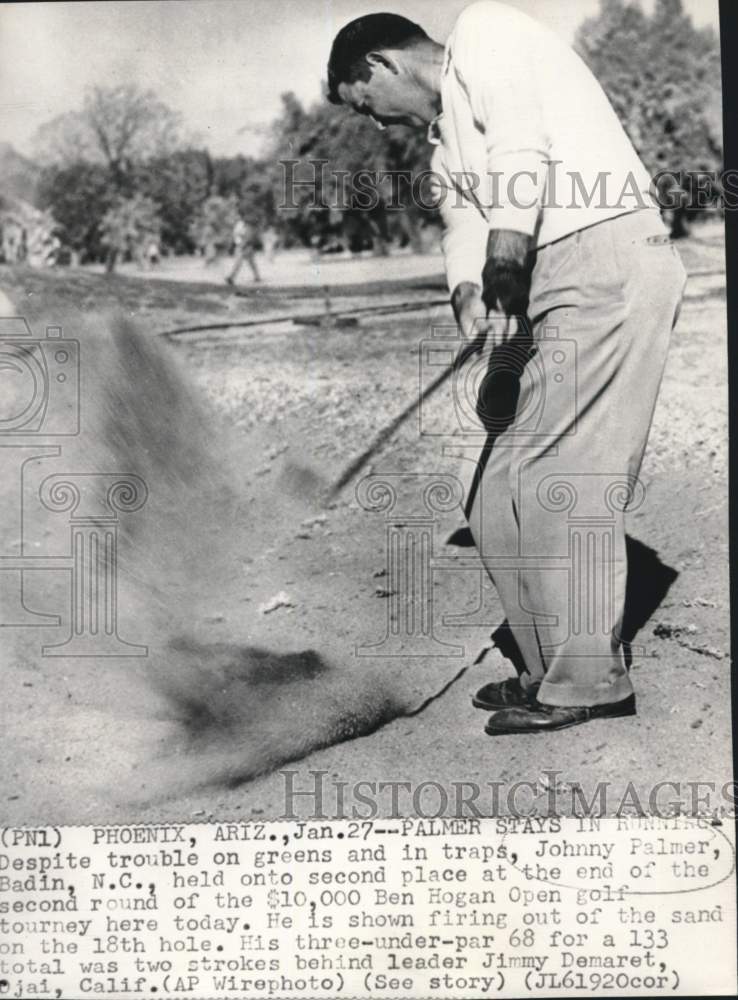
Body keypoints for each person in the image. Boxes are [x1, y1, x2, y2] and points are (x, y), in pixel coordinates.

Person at [327, 2, 687, 733]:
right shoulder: (445, 140)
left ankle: (591, 677)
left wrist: (506, 256)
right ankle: (546, 668)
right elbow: (462, 218)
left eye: (365, 104)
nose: (375, 123)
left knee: (560, 475)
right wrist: (470, 288)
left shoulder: (487, 31)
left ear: (380, 66)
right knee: (494, 490)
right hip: (552, 272)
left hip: (607, 252)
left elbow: (526, 144)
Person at [226, 217, 261, 285]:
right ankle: (231, 277)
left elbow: (249, 236)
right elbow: (235, 236)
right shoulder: (238, 225)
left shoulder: (247, 226)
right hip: (241, 246)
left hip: (246, 246)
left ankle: (257, 276)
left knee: (251, 263)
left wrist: (242, 243)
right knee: (241, 263)